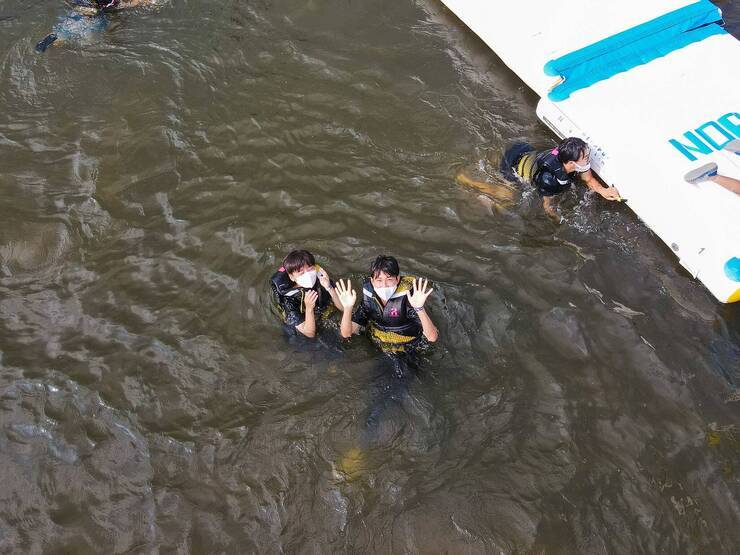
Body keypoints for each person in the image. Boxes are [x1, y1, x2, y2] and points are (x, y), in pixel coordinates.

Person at [335, 255, 438, 351]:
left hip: (407, 348)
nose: (384, 285)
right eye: (379, 280)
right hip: (377, 346)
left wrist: (419, 308)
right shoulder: (369, 296)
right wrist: (348, 308)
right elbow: (346, 333)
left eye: (389, 279)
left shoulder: (409, 298)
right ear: (372, 281)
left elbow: (432, 337)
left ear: (397, 279)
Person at [501, 137, 622, 217]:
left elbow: (589, 179)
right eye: (585, 157)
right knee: (509, 196)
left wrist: (603, 191)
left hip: (526, 150)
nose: (588, 159)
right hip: (512, 165)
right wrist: (558, 219)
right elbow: (547, 205)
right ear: (571, 163)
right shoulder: (549, 179)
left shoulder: (572, 160)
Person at [270, 250, 343, 338]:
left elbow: (343, 308)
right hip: (301, 331)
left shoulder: (322, 280)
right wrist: (309, 308)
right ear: (292, 277)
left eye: (310, 269)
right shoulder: (289, 300)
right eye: (301, 272)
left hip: (325, 316)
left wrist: (329, 288)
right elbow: (309, 334)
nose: (308, 274)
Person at [35, 0, 154, 52]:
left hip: (82, 4)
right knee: (93, 32)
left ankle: (55, 37)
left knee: (68, 25)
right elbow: (114, 6)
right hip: (94, 10)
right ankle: (59, 39)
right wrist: (138, 3)